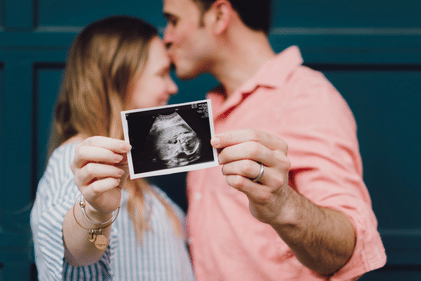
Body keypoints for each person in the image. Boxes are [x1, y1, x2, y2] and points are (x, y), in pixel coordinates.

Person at [162, 0, 387, 280]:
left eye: (173, 21)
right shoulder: (211, 107)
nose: (166, 38)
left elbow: (346, 252)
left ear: (219, 15)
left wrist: (281, 205)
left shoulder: (306, 97)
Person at [30, 15, 195, 281]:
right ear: (120, 77)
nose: (172, 87)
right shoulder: (78, 164)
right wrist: (96, 213)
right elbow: (78, 253)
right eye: (162, 73)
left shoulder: (139, 181)